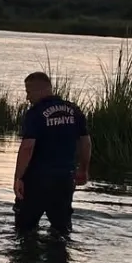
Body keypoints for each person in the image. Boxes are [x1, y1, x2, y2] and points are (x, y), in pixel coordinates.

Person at [13, 71, 91, 234]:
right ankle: (59, 257)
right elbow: (85, 142)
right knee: (61, 229)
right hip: (64, 179)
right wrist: (83, 169)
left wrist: (18, 177)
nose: (27, 98)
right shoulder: (74, 110)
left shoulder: (35, 113)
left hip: (37, 180)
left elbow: (27, 147)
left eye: (28, 92)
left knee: (25, 230)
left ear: (39, 90)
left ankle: (26, 257)